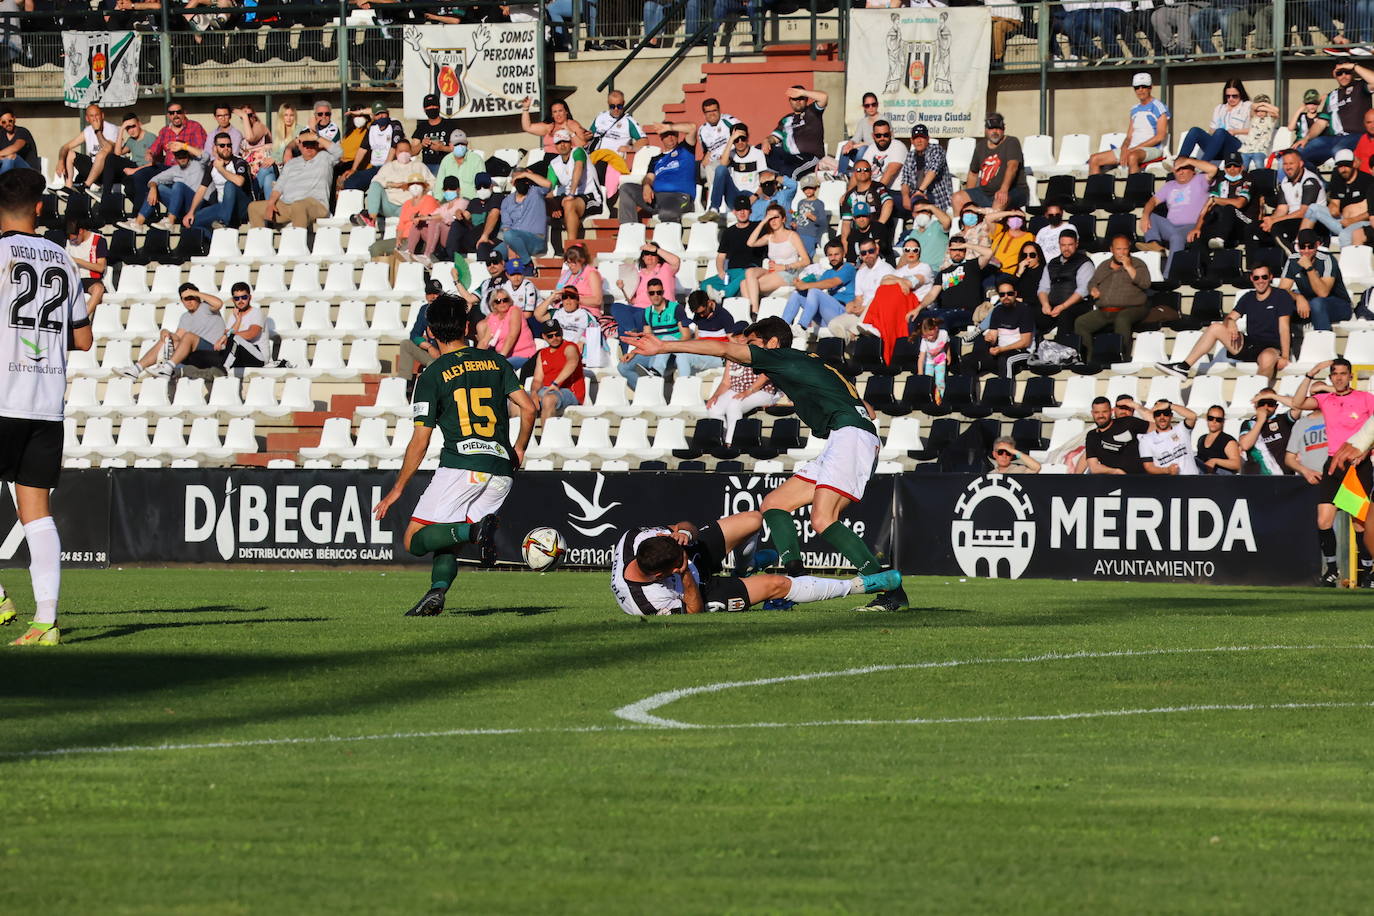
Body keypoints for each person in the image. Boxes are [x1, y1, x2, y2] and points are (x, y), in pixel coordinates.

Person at [622, 316, 909, 611]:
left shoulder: (779, 356)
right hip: (845, 435)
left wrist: (664, 346)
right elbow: (869, 411)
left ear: (772, 343)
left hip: (850, 436)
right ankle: (795, 579)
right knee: (773, 505)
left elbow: (724, 350)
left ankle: (890, 590)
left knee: (823, 520)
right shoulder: (805, 362)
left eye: (754, 343)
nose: (748, 349)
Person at [373, 295, 537, 617]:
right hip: (501, 471)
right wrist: (518, 448)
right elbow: (529, 408)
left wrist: (397, 489)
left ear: (431, 332)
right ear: (466, 326)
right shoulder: (496, 362)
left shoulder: (432, 375)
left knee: (416, 539)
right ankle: (437, 591)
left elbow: (420, 442)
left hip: (462, 465)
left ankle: (476, 532)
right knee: (447, 537)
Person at [0, 169, 91, 646]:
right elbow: (83, 338)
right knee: (37, 512)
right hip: (45, 403)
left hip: (2, 396)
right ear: (39, 207)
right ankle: (45, 622)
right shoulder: (63, 258)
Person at [610, 510, 899, 616]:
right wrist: (686, 576)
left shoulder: (635, 539)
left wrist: (684, 533)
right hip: (698, 591)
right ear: (662, 575)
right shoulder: (647, 603)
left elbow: (682, 523)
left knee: (753, 519)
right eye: (678, 563)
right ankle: (861, 585)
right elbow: (693, 613)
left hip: (689, 562)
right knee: (777, 585)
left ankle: (744, 568)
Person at [1297, 358, 1374, 586]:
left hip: (1357, 464)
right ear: (1330, 378)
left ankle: (1368, 571)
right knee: (1323, 520)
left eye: (1343, 373)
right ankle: (1331, 569)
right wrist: (1311, 373)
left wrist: (1366, 450)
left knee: (1359, 523)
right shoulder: (1325, 400)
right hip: (1332, 464)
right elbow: (1297, 402)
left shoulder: (1365, 399)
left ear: (1350, 376)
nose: (1339, 378)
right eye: (1335, 374)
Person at [1157, 263, 1294, 380]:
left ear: (1270, 277)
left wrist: (1285, 356)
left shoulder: (1280, 296)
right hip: (1250, 344)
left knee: (1266, 358)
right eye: (1256, 277)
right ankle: (1184, 367)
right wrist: (1231, 322)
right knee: (1215, 327)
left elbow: (1284, 328)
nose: (1260, 281)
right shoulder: (1248, 297)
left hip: (1271, 346)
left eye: (1264, 277)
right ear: (1252, 278)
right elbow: (1229, 318)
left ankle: (1261, 399)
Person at [119, 283, 227, 378]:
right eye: (185, 299)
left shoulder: (206, 307)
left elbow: (219, 303)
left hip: (215, 352)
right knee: (166, 340)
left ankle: (168, 368)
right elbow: (178, 338)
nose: (189, 302)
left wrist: (195, 293)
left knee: (189, 336)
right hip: (198, 355)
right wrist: (166, 333)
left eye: (191, 298)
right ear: (181, 300)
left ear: (197, 297)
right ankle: (136, 369)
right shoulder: (185, 317)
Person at [1075, 234, 1151, 361]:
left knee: (1122, 319)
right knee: (1081, 323)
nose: (1122, 252)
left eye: (1125, 249)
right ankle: (1089, 359)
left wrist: (1128, 267)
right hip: (1106, 309)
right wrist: (1093, 289)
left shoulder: (1137, 264)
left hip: (1132, 308)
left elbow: (1145, 283)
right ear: (1111, 249)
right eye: (1118, 249)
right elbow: (1092, 282)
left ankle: (1122, 358)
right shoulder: (1104, 265)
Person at [246, 132, 339, 230]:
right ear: (300, 146)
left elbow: (338, 152)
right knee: (254, 208)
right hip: (288, 204)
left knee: (298, 206)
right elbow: (279, 186)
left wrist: (317, 137)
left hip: (317, 204)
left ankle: (297, 243)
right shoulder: (292, 163)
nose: (308, 148)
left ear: (317, 144)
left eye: (312, 144)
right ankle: (260, 244)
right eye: (305, 144)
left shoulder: (325, 158)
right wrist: (271, 203)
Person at [706, 323, 782, 443]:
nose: (741, 338)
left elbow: (765, 376)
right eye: (738, 335)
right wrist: (715, 396)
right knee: (713, 407)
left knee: (734, 404)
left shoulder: (759, 350)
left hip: (762, 391)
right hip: (738, 390)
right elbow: (726, 382)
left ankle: (731, 442)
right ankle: (721, 438)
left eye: (744, 335)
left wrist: (747, 392)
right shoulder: (731, 355)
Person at [1087, 73, 1169, 175]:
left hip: (1153, 149)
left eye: (1144, 86)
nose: (1140, 90)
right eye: (1137, 87)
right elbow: (1129, 136)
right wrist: (1124, 148)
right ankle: (1095, 190)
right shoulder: (1134, 109)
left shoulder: (1159, 107)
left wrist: (1134, 149)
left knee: (1132, 157)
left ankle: (1134, 190)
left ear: (1151, 87)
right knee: (1094, 159)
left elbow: (1160, 136)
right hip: (1132, 149)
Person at [618, 122, 697, 225]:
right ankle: (628, 229)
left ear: (677, 135)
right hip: (657, 198)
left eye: (673, 134)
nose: (670, 138)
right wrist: (646, 185)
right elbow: (649, 177)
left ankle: (666, 239)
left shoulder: (685, 149)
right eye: (666, 135)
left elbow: (693, 128)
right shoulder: (656, 159)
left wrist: (669, 127)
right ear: (661, 138)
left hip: (679, 197)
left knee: (667, 213)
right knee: (626, 188)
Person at [1138, 159, 1209, 272]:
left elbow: (1213, 170)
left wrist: (1188, 161)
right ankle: (1154, 243)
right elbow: (1153, 201)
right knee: (1151, 216)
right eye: (1177, 169)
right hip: (1171, 226)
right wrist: (1145, 215)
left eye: (1184, 168)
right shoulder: (1169, 185)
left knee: (1176, 237)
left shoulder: (1200, 180)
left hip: (1191, 226)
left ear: (1193, 170)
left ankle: (1169, 276)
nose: (1180, 172)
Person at [1299, 63, 1374, 169]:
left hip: (1356, 136)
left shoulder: (1361, 87)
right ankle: (1320, 184)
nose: (1343, 76)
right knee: (1297, 154)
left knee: (1339, 151)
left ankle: (1346, 184)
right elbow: (1321, 123)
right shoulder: (1332, 95)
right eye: (1339, 73)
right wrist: (1306, 138)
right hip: (1332, 139)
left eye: (1347, 72)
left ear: (1352, 72)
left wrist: (1354, 66)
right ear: (1334, 75)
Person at [741, 203, 809, 316]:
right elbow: (750, 243)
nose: (773, 221)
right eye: (770, 218)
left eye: (776, 217)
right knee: (747, 275)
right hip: (772, 272)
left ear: (783, 219)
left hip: (789, 273)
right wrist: (763, 222)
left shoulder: (792, 236)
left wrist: (785, 267)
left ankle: (754, 312)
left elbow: (806, 261)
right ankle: (752, 313)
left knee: (746, 285)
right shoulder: (769, 236)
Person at [1278, 228, 1352, 332]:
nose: (1306, 251)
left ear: (1317, 245)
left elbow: (1323, 293)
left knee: (1317, 303)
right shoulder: (1293, 260)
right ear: (1298, 246)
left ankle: (1323, 343)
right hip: (1309, 302)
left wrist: (1309, 268)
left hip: (1339, 305)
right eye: (1303, 247)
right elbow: (1282, 290)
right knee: (1280, 303)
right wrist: (1298, 297)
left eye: (1310, 246)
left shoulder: (1327, 260)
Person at [118, 146, 204, 234]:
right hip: (182, 207)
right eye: (179, 157)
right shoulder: (174, 170)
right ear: (175, 157)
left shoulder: (199, 164)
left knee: (178, 185)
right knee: (158, 188)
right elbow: (155, 179)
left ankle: (170, 221)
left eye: (184, 156)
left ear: (188, 154)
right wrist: (153, 188)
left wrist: (184, 146)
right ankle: (138, 222)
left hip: (197, 204)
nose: (182, 159)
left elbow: (205, 155)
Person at [618, 278, 686, 387]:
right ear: (648, 294)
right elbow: (646, 338)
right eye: (652, 293)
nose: (656, 295)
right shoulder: (647, 312)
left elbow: (685, 336)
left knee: (664, 341)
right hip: (655, 351)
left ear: (663, 292)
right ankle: (645, 392)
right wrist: (633, 353)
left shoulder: (676, 308)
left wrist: (672, 347)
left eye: (658, 292)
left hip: (673, 353)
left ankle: (655, 378)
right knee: (623, 366)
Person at [953, 112, 1028, 211]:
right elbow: (973, 173)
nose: (995, 132)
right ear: (985, 130)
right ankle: (961, 226)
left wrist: (1003, 190)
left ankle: (991, 225)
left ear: (1003, 129)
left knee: (1000, 200)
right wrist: (969, 199)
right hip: (985, 192)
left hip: (1012, 191)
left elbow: (1012, 166)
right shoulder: (980, 146)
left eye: (998, 128)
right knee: (957, 198)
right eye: (991, 128)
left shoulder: (1011, 142)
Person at [353, 138, 431, 231]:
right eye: (401, 151)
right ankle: (371, 217)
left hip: (408, 205)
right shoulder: (388, 166)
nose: (404, 153)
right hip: (388, 204)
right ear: (396, 152)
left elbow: (432, 182)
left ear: (410, 151)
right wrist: (393, 184)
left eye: (406, 151)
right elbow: (376, 181)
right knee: (375, 185)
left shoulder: (419, 166)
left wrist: (416, 186)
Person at [184, 131, 250, 237]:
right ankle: (212, 242)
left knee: (230, 184)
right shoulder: (211, 165)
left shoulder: (238, 162)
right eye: (222, 145)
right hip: (222, 206)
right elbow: (202, 189)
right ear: (215, 148)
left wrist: (221, 169)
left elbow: (239, 181)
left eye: (229, 145)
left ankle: (224, 223)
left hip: (241, 207)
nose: (226, 148)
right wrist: (191, 212)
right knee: (193, 221)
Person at [1261, 149, 1328, 253]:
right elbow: (1282, 209)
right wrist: (1270, 220)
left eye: (1291, 163)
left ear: (1301, 164)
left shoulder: (1310, 181)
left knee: (1277, 228)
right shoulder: (1285, 181)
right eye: (1285, 164)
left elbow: (1304, 212)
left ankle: (1293, 257)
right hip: (1293, 220)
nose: (1288, 167)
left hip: (1314, 223)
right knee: (1254, 229)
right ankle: (1257, 266)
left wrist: (1274, 221)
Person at [782, 240, 855, 334]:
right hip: (827, 316)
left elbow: (832, 282)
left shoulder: (849, 268)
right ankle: (782, 327)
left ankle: (802, 326)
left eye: (836, 254)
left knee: (814, 291)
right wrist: (799, 284)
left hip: (843, 313)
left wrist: (805, 285)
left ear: (843, 254)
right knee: (797, 294)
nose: (833, 258)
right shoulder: (827, 273)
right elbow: (817, 285)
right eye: (830, 255)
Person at [923, 234, 995, 329]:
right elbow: (932, 295)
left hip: (967, 312)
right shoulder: (943, 273)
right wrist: (917, 309)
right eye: (954, 249)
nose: (957, 252)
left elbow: (989, 253)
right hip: (945, 310)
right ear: (949, 251)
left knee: (943, 318)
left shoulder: (972, 265)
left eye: (960, 249)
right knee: (918, 317)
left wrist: (967, 245)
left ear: (965, 251)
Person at [1185, 152, 1254, 251]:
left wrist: (1215, 200)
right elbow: (1208, 205)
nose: (1232, 169)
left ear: (1242, 167)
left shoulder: (1248, 179)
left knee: (1230, 208)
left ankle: (1220, 238)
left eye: (1236, 166)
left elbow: (1239, 203)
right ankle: (1199, 263)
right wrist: (1197, 227)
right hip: (1224, 223)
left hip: (1245, 221)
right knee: (1201, 234)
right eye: (1229, 166)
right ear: (1225, 168)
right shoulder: (1221, 180)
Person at [964, 281, 1033, 377]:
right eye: (1002, 294)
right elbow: (993, 335)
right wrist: (990, 339)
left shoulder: (1024, 310)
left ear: (1015, 294)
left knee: (1006, 360)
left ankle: (1004, 390)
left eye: (1010, 293)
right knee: (968, 359)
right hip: (1000, 351)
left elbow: (1025, 342)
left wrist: (1002, 349)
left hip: (1021, 352)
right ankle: (969, 391)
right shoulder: (997, 310)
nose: (1006, 297)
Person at [544, 128, 599, 247]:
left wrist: (571, 194)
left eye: (565, 141)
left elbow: (578, 169)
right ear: (555, 146)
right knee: (539, 203)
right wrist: (553, 205)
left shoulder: (578, 151)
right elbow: (549, 189)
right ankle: (544, 247)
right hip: (569, 197)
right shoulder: (554, 163)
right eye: (558, 143)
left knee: (569, 203)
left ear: (570, 143)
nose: (562, 145)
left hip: (590, 196)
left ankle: (571, 248)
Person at [1175, 79, 1252, 163]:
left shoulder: (1248, 107)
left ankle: (1202, 164)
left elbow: (1255, 129)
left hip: (1236, 146)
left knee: (1221, 132)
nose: (1231, 99)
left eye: (1234, 96)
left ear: (1241, 94)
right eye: (1228, 96)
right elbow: (1212, 130)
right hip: (1217, 146)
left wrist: (1235, 131)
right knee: (1195, 130)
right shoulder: (1219, 108)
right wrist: (1217, 134)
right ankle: (1179, 162)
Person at [762, 86, 829, 179]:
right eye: (794, 99)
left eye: (801, 98)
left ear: (806, 100)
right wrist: (766, 141)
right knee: (758, 151)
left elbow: (824, 97)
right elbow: (774, 138)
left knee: (788, 171)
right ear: (790, 101)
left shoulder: (812, 111)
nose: (797, 101)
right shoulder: (786, 119)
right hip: (789, 157)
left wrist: (802, 92)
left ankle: (786, 189)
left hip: (809, 157)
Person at [1036, 230, 1092, 338]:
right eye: (1063, 245)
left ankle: (1063, 348)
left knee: (1065, 314)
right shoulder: (1052, 264)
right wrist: (1045, 304)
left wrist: (1062, 306)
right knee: (1034, 312)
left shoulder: (1084, 263)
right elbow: (1043, 288)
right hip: (1053, 305)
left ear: (1076, 244)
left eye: (1070, 245)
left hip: (1076, 306)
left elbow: (1083, 291)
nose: (1066, 248)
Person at [1312, 149, 1373, 248]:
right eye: (1340, 166)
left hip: (1361, 223)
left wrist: (1352, 220)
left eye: (1346, 165)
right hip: (1342, 221)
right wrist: (1333, 207)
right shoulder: (1337, 177)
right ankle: (1300, 242)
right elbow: (1335, 202)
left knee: (1345, 236)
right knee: (1313, 208)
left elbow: (1371, 211)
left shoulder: (1367, 180)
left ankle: (1347, 262)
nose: (1343, 169)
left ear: (1354, 164)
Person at [341, 101, 406, 192]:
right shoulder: (373, 127)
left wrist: (385, 169)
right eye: (377, 114)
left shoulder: (395, 125)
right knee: (351, 182)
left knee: (379, 185)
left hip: (391, 167)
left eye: (383, 113)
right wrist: (353, 169)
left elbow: (393, 148)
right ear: (374, 116)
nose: (381, 116)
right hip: (375, 168)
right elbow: (363, 149)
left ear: (388, 113)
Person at [56, 103, 119, 192]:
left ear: (102, 116)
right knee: (69, 153)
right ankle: (68, 187)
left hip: (108, 170)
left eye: (97, 115)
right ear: (87, 118)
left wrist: (97, 131)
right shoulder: (88, 131)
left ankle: (86, 185)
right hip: (92, 168)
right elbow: (65, 146)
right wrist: (61, 161)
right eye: (91, 116)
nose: (95, 118)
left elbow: (108, 149)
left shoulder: (112, 129)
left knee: (101, 154)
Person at [493, 167, 551, 264]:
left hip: (535, 240)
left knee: (509, 236)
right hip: (513, 239)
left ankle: (527, 262)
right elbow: (506, 226)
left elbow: (548, 184)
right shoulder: (507, 201)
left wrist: (527, 174)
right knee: (494, 256)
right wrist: (511, 245)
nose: (521, 182)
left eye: (523, 179)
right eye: (517, 180)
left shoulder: (535, 193)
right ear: (512, 182)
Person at [530, 320, 585, 423]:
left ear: (562, 332)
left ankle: (547, 438)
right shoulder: (542, 353)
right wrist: (533, 392)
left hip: (568, 391)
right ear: (544, 337)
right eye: (550, 336)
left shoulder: (570, 347)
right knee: (518, 401)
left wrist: (555, 383)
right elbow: (537, 379)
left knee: (548, 399)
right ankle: (519, 438)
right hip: (546, 390)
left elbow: (572, 362)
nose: (555, 338)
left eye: (557, 334)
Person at [840, 159, 895, 254]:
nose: (862, 172)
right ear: (854, 174)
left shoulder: (879, 188)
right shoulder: (850, 196)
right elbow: (846, 223)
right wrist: (845, 243)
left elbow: (888, 203)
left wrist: (878, 226)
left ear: (871, 172)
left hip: (878, 234)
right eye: (859, 170)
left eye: (866, 169)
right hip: (859, 234)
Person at [1084, 396, 1149, 474]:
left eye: (1104, 411)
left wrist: (1137, 406)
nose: (1101, 416)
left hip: (1142, 478)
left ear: (1111, 411)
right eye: (1097, 412)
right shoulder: (1092, 436)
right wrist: (1116, 471)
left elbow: (1158, 427)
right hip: (1114, 481)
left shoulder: (1128, 422)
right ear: (1092, 413)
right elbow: (1094, 467)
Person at [711, 123, 768, 213]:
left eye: (743, 138)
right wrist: (730, 141)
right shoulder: (731, 154)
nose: (740, 142)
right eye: (736, 139)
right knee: (720, 169)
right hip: (734, 195)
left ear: (748, 138)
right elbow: (722, 165)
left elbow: (765, 180)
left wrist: (755, 196)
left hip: (752, 195)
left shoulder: (758, 154)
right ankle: (714, 209)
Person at [476, 287, 536, 371]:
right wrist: (475, 360)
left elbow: (512, 336)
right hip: (505, 358)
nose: (502, 303)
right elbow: (484, 341)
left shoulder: (514, 310)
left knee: (495, 369)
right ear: (494, 305)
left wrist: (501, 358)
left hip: (523, 355)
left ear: (510, 301)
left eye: (505, 300)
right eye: (498, 301)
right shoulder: (493, 317)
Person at [394, 280, 444, 380]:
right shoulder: (424, 310)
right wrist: (429, 347)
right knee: (406, 344)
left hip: (447, 355)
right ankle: (405, 382)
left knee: (432, 365)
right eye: (429, 294)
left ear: (441, 294)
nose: (432, 297)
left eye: (436, 293)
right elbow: (414, 334)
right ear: (425, 295)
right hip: (431, 353)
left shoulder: (449, 309)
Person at [900, 123, 952, 214]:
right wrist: (905, 197)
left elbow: (933, 170)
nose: (919, 141)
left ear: (928, 139)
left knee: (919, 203)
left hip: (936, 197)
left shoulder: (936, 150)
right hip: (916, 196)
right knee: (891, 201)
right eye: (916, 138)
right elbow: (905, 180)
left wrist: (920, 191)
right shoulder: (911, 155)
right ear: (911, 141)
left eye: (922, 137)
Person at [1138, 399, 1199, 475]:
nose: (1162, 417)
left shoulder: (1182, 430)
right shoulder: (1146, 439)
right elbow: (1149, 467)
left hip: (1192, 481)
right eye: (1158, 414)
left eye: (1166, 413)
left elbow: (1193, 416)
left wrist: (1170, 405)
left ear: (1171, 416)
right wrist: (1167, 470)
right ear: (1154, 417)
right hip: (1168, 483)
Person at [695, 98, 739, 202]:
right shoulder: (702, 130)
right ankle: (696, 202)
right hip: (712, 159)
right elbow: (706, 150)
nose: (712, 114)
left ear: (719, 110)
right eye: (708, 112)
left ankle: (714, 202)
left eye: (714, 110)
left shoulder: (728, 121)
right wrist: (705, 157)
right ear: (704, 114)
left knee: (711, 168)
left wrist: (727, 153)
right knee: (690, 169)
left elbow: (742, 134)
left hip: (730, 158)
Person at [65, 219, 107, 317]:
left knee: (98, 289)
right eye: (71, 240)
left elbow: (100, 267)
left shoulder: (98, 240)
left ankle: (82, 317)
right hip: (73, 278)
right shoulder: (68, 242)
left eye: (75, 240)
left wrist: (77, 260)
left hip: (90, 279)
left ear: (81, 231)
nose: (73, 243)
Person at [433, 130, 488, 200]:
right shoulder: (446, 161)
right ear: (450, 145)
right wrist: (438, 201)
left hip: (471, 202)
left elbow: (482, 184)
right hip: (450, 202)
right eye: (456, 144)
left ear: (467, 144)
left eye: (462, 144)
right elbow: (439, 186)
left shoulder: (476, 159)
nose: (460, 146)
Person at [413, 93, 461, 175]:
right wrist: (422, 144)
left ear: (439, 107)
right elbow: (412, 151)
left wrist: (442, 148)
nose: (431, 108)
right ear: (424, 109)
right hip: (426, 167)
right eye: (428, 106)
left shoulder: (450, 125)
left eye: (434, 105)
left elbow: (460, 150)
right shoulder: (421, 127)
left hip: (446, 165)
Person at [838, 92, 878, 177]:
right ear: (864, 107)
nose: (871, 107)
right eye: (867, 105)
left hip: (877, 154)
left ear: (877, 105)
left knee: (863, 148)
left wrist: (858, 145)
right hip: (864, 155)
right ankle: (841, 175)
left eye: (873, 104)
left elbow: (878, 141)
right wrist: (849, 144)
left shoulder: (883, 120)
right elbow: (856, 138)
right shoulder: (863, 122)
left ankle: (856, 175)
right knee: (845, 147)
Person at [860, 119, 906, 190]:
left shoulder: (898, 146)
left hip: (894, 191)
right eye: (878, 135)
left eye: (886, 135)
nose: (882, 138)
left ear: (890, 134)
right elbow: (860, 170)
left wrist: (873, 193)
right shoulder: (871, 148)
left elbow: (890, 172)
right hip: (874, 190)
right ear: (873, 136)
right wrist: (848, 193)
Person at [1197, 405, 1242, 475]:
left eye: (1218, 419)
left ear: (1223, 421)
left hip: (1222, 479)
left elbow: (1236, 464)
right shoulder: (1201, 439)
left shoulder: (1228, 440)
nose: (1214, 422)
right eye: (1211, 418)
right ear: (1206, 418)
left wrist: (1215, 461)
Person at [905, 201, 951, 270]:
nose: (920, 214)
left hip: (936, 270)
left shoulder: (937, 226)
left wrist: (931, 207)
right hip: (917, 270)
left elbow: (947, 222)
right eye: (918, 212)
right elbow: (905, 256)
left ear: (930, 213)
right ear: (913, 214)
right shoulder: (913, 234)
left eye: (924, 211)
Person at [792, 174, 828, 257]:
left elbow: (823, 222)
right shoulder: (800, 202)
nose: (808, 190)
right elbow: (797, 215)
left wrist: (813, 218)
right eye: (805, 188)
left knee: (807, 256)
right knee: (796, 255)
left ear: (816, 188)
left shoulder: (819, 203)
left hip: (810, 235)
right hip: (798, 233)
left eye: (810, 188)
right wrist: (794, 222)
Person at [916, 316, 949, 402]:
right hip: (929, 362)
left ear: (936, 328)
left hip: (940, 361)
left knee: (940, 381)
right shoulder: (924, 341)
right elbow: (921, 358)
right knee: (928, 381)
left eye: (931, 335)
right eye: (926, 336)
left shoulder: (943, 334)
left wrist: (948, 355)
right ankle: (929, 399)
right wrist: (920, 372)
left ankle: (941, 399)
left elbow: (947, 345)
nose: (929, 338)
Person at [0, 106, 37, 174]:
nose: (8, 124)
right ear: (0, 123)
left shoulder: (22, 132)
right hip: (12, 172)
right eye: (4, 122)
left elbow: (15, 147)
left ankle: (2, 182)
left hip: (29, 172)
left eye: (10, 121)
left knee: (11, 156)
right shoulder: (1, 134)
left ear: (14, 119)